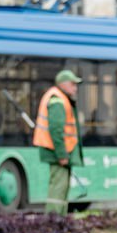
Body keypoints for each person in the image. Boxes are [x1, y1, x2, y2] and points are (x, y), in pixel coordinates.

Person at [33, 69, 83, 215]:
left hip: (60, 152)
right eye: (73, 84)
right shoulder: (57, 100)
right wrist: (62, 155)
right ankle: (54, 220)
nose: (75, 88)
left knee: (62, 188)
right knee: (58, 188)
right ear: (64, 84)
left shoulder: (60, 98)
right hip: (57, 153)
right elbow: (56, 131)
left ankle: (60, 219)